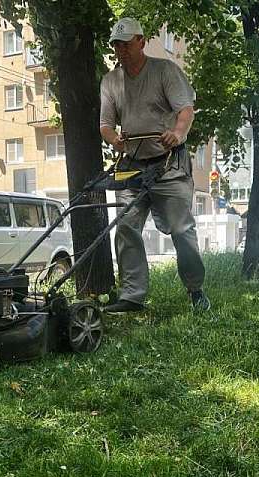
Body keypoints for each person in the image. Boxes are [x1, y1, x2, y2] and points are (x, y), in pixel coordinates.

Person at [99, 17, 209, 313]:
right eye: (116, 45)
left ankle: (195, 289)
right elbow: (106, 125)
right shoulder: (111, 82)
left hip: (168, 163)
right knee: (126, 227)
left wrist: (177, 132)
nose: (120, 49)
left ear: (141, 41)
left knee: (180, 228)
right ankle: (132, 296)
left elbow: (185, 110)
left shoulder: (164, 71)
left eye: (125, 43)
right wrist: (116, 141)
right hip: (132, 165)